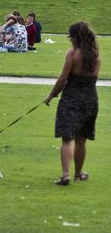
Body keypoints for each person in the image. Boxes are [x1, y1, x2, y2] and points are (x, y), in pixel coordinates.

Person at [45, 22, 100, 186]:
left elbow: (63, 79)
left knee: (67, 139)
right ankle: (78, 174)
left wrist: (51, 95)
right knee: (81, 140)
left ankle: (65, 175)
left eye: (70, 36)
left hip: (71, 99)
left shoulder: (73, 54)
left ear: (75, 38)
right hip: (90, 99)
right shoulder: (95, 55)